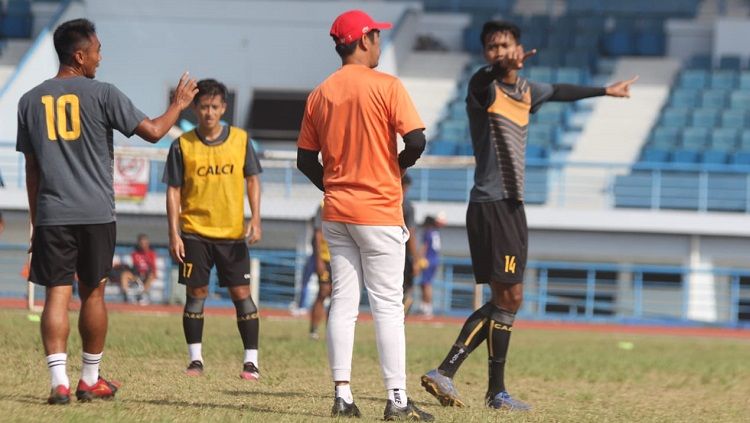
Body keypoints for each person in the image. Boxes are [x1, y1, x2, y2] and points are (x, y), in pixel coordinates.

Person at [420, 20, 638, 411]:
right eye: (492, 47)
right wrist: (498, 67)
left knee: (510, 298)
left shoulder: (525, 91)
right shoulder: (483, 91)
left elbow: (559, 92)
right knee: (509, 297)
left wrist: (606, 90)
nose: (499, 52)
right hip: (493, 203)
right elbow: (481, 78)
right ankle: (447, 372)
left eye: (505, 45)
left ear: (519, 47)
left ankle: (494, 392)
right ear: (487, 55)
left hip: (511, 205)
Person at [16, 18, 198, 405]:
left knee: (55, 296)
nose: (101, 56)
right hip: (96, 213)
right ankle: (89, 379)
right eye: (97, 50)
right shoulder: (103, 94)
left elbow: (32, 169)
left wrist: (37, 220)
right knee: (94, 293)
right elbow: (151, 131)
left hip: (52, 214)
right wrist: (178, 106)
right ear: (79, 56)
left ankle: (59, 382)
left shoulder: (29, 100)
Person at [296, 9, 433, 421]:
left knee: (343, 303)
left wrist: (334, 187)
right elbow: (417, 139)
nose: (379, 43)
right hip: (378, 211)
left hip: (337, 212)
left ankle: (343, 395)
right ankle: (396, 400)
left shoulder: (320, 93)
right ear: (362, 40)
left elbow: (305, 160)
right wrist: (399, 166)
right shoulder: (387, 85)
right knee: (389, 306)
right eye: (376, 36)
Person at [163, 78, 263, 381]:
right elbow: (173, 191)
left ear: (224, 108)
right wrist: (173, 233)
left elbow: (253, 180)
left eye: (214, 107)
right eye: (204, 106)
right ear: (195, 108)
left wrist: (256, 218)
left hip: (232, 234)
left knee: (241, 294)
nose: (209, 112)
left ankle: (251, 362)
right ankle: (195, 360)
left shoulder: (241, 140)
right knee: (196, 294)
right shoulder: (182, 144)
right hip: (194, 232)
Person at [308, 201, 332, 340]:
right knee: (323, 292)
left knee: (337, 296)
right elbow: (318, 232)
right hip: (324, 257)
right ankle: (313, 331)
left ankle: (331, 331)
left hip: (339, 258)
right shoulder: (323, 205)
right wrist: (318, 259)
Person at [417, 214, 446, 318]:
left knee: (426, 284)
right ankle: (424, 306)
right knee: (424, 283)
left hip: (427, 260)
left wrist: (418, 259)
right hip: (435, 259)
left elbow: (424, 247)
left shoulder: (427, 232)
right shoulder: (436, 233)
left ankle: (427, 309)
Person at [401, 174, 421, 314]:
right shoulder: (407, 206)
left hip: (383, 249)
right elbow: (411, 235)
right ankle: (399, 317)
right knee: (406, 289)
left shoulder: (382, 201)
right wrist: (415, 260)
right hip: (402, 254)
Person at [130, 233, 157, 304]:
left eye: (145, 243)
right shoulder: (135, 253)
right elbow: (134, 266)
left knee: (150, 276)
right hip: (137, 275)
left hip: (148, 275)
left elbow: (153, 268)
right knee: (125, 275)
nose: (143, 245)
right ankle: (127, 296)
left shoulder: (151, 254)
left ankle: (141, 295)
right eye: (141, 243)